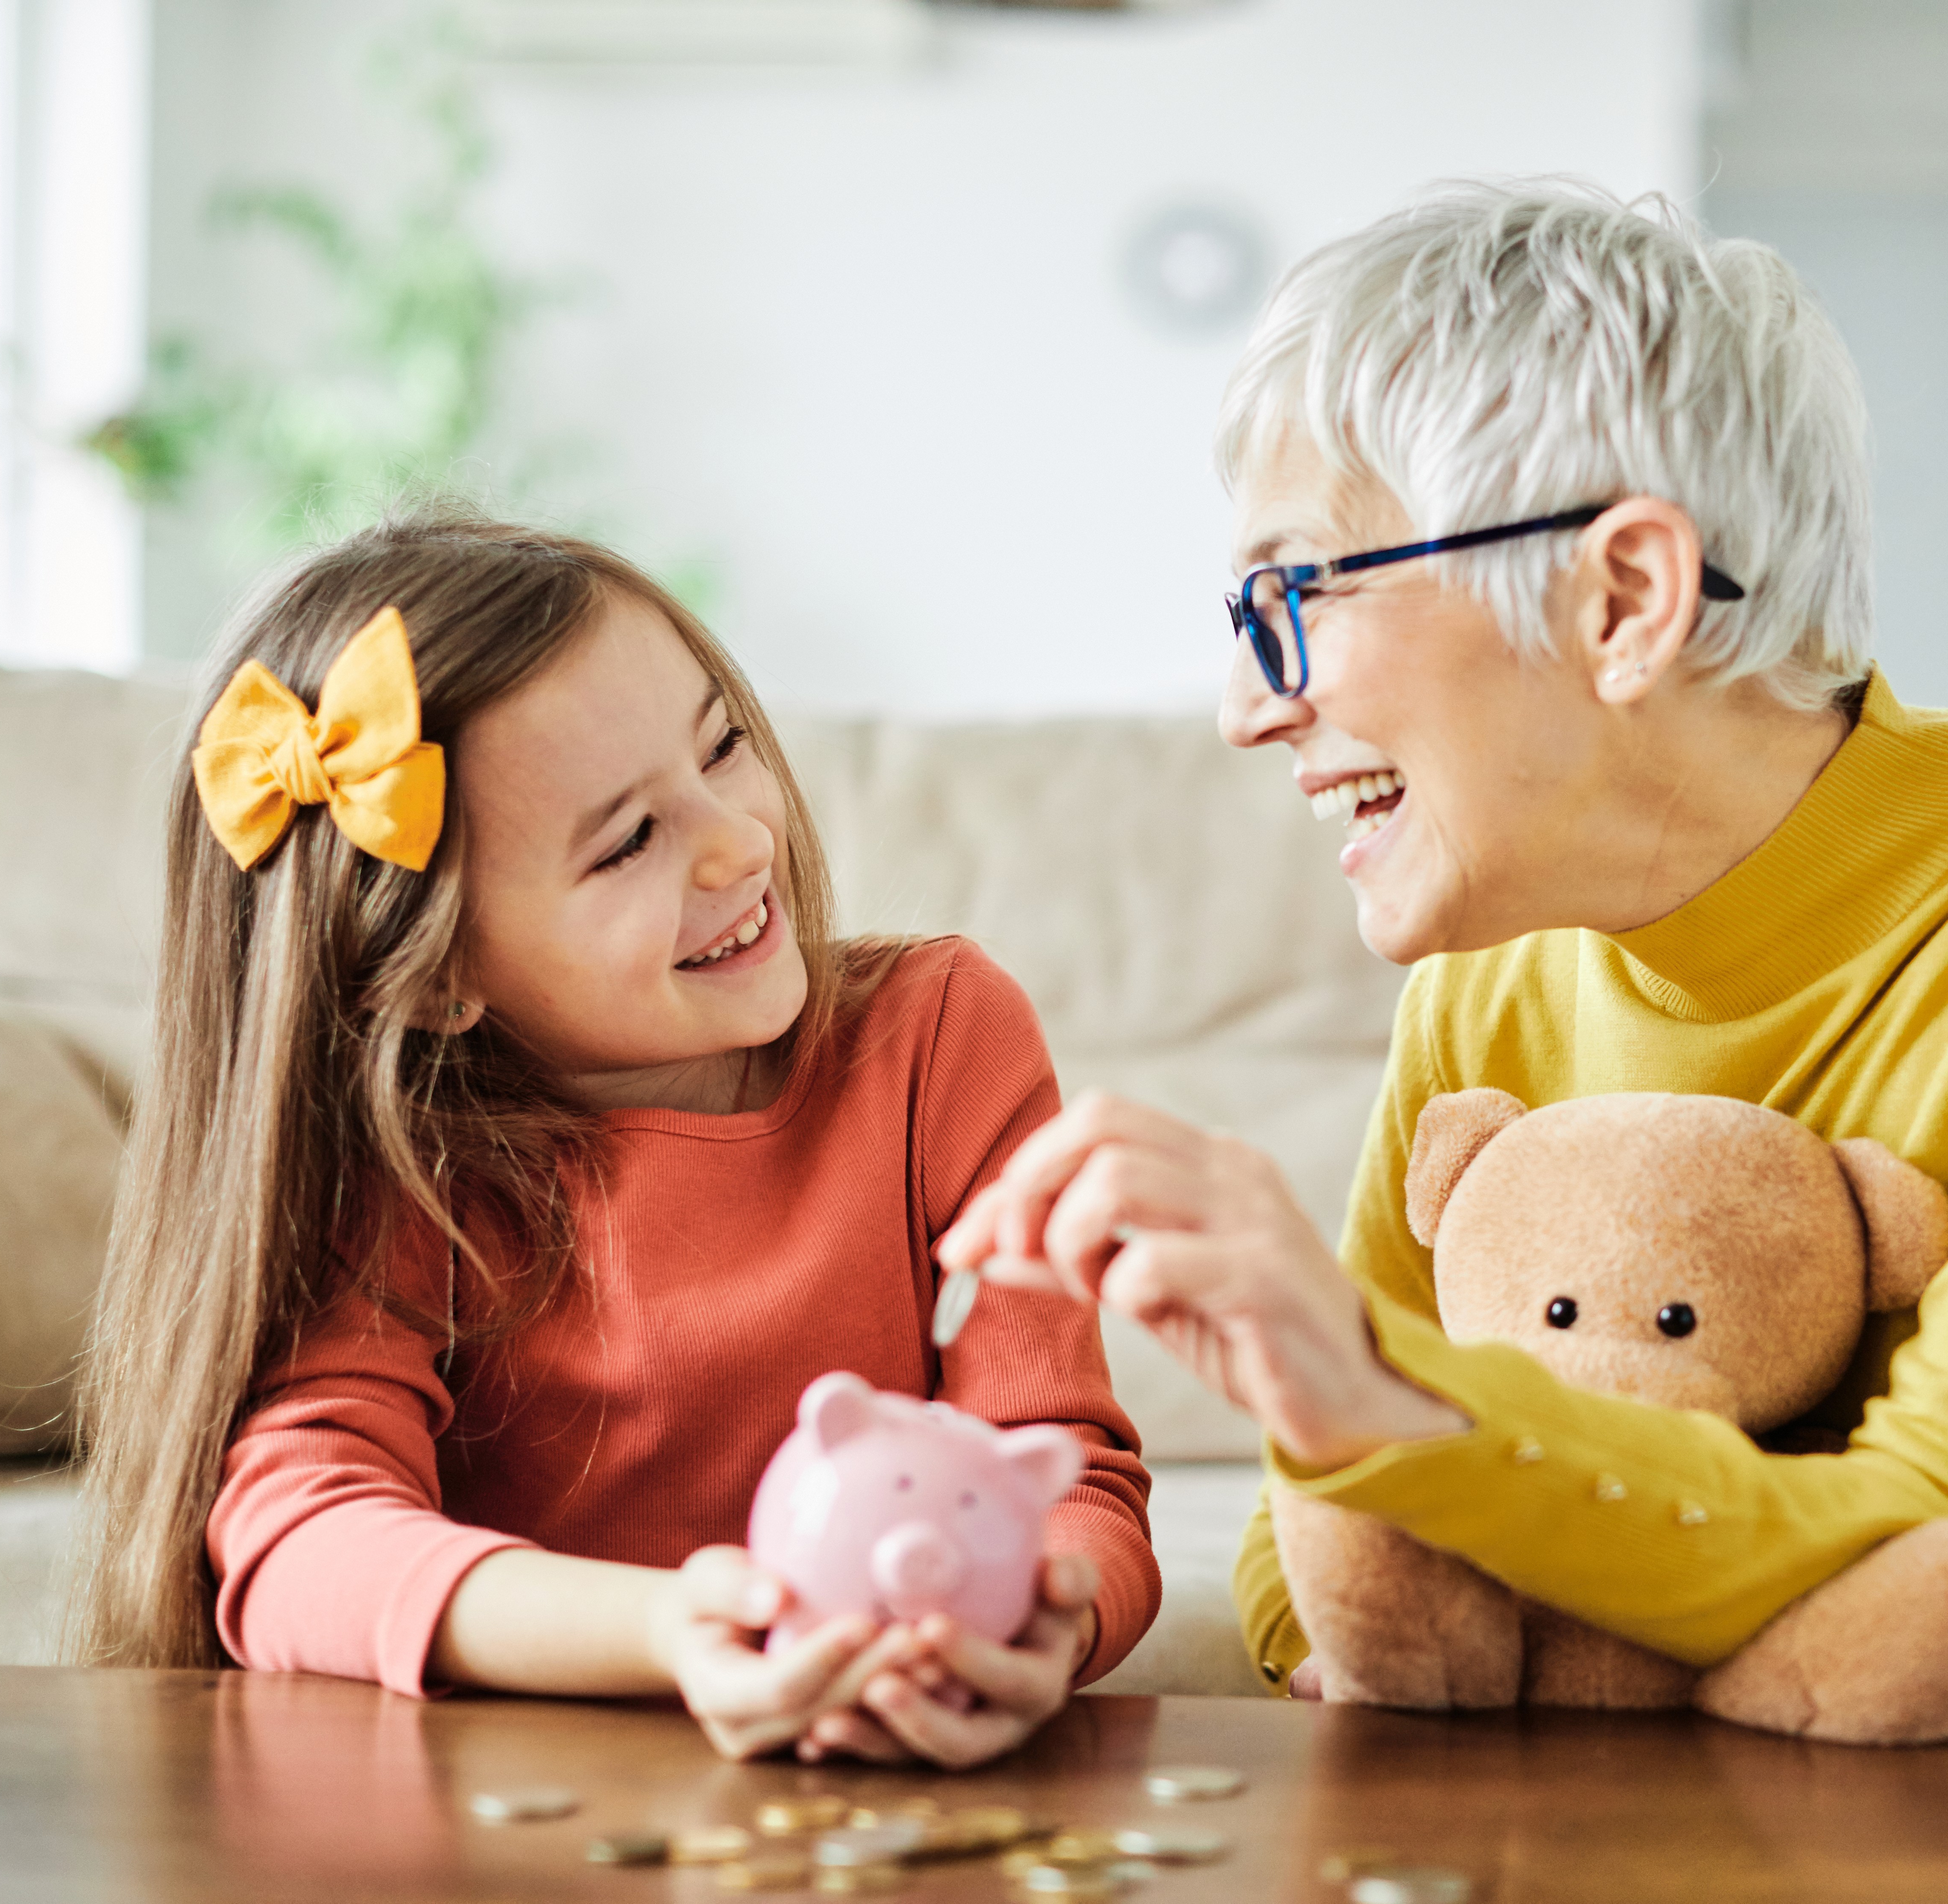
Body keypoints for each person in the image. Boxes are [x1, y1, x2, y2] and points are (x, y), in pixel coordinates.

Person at [943, 182, 1948, 1728]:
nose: (1247, 706)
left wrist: (1384, 1406)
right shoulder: (1491, 971)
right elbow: (1301, 1560)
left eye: (1294, 595)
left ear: (1624, 597)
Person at [68, 507, 1157, 1765]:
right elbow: (297, 1538)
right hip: (500, 1805)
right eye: (631, 841)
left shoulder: (941, 1035)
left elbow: (1067, 1464)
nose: (741, 842)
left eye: (726, 745)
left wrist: (1047, 1621)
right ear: (432, 979)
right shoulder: (412, 1152)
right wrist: (676, 1632)